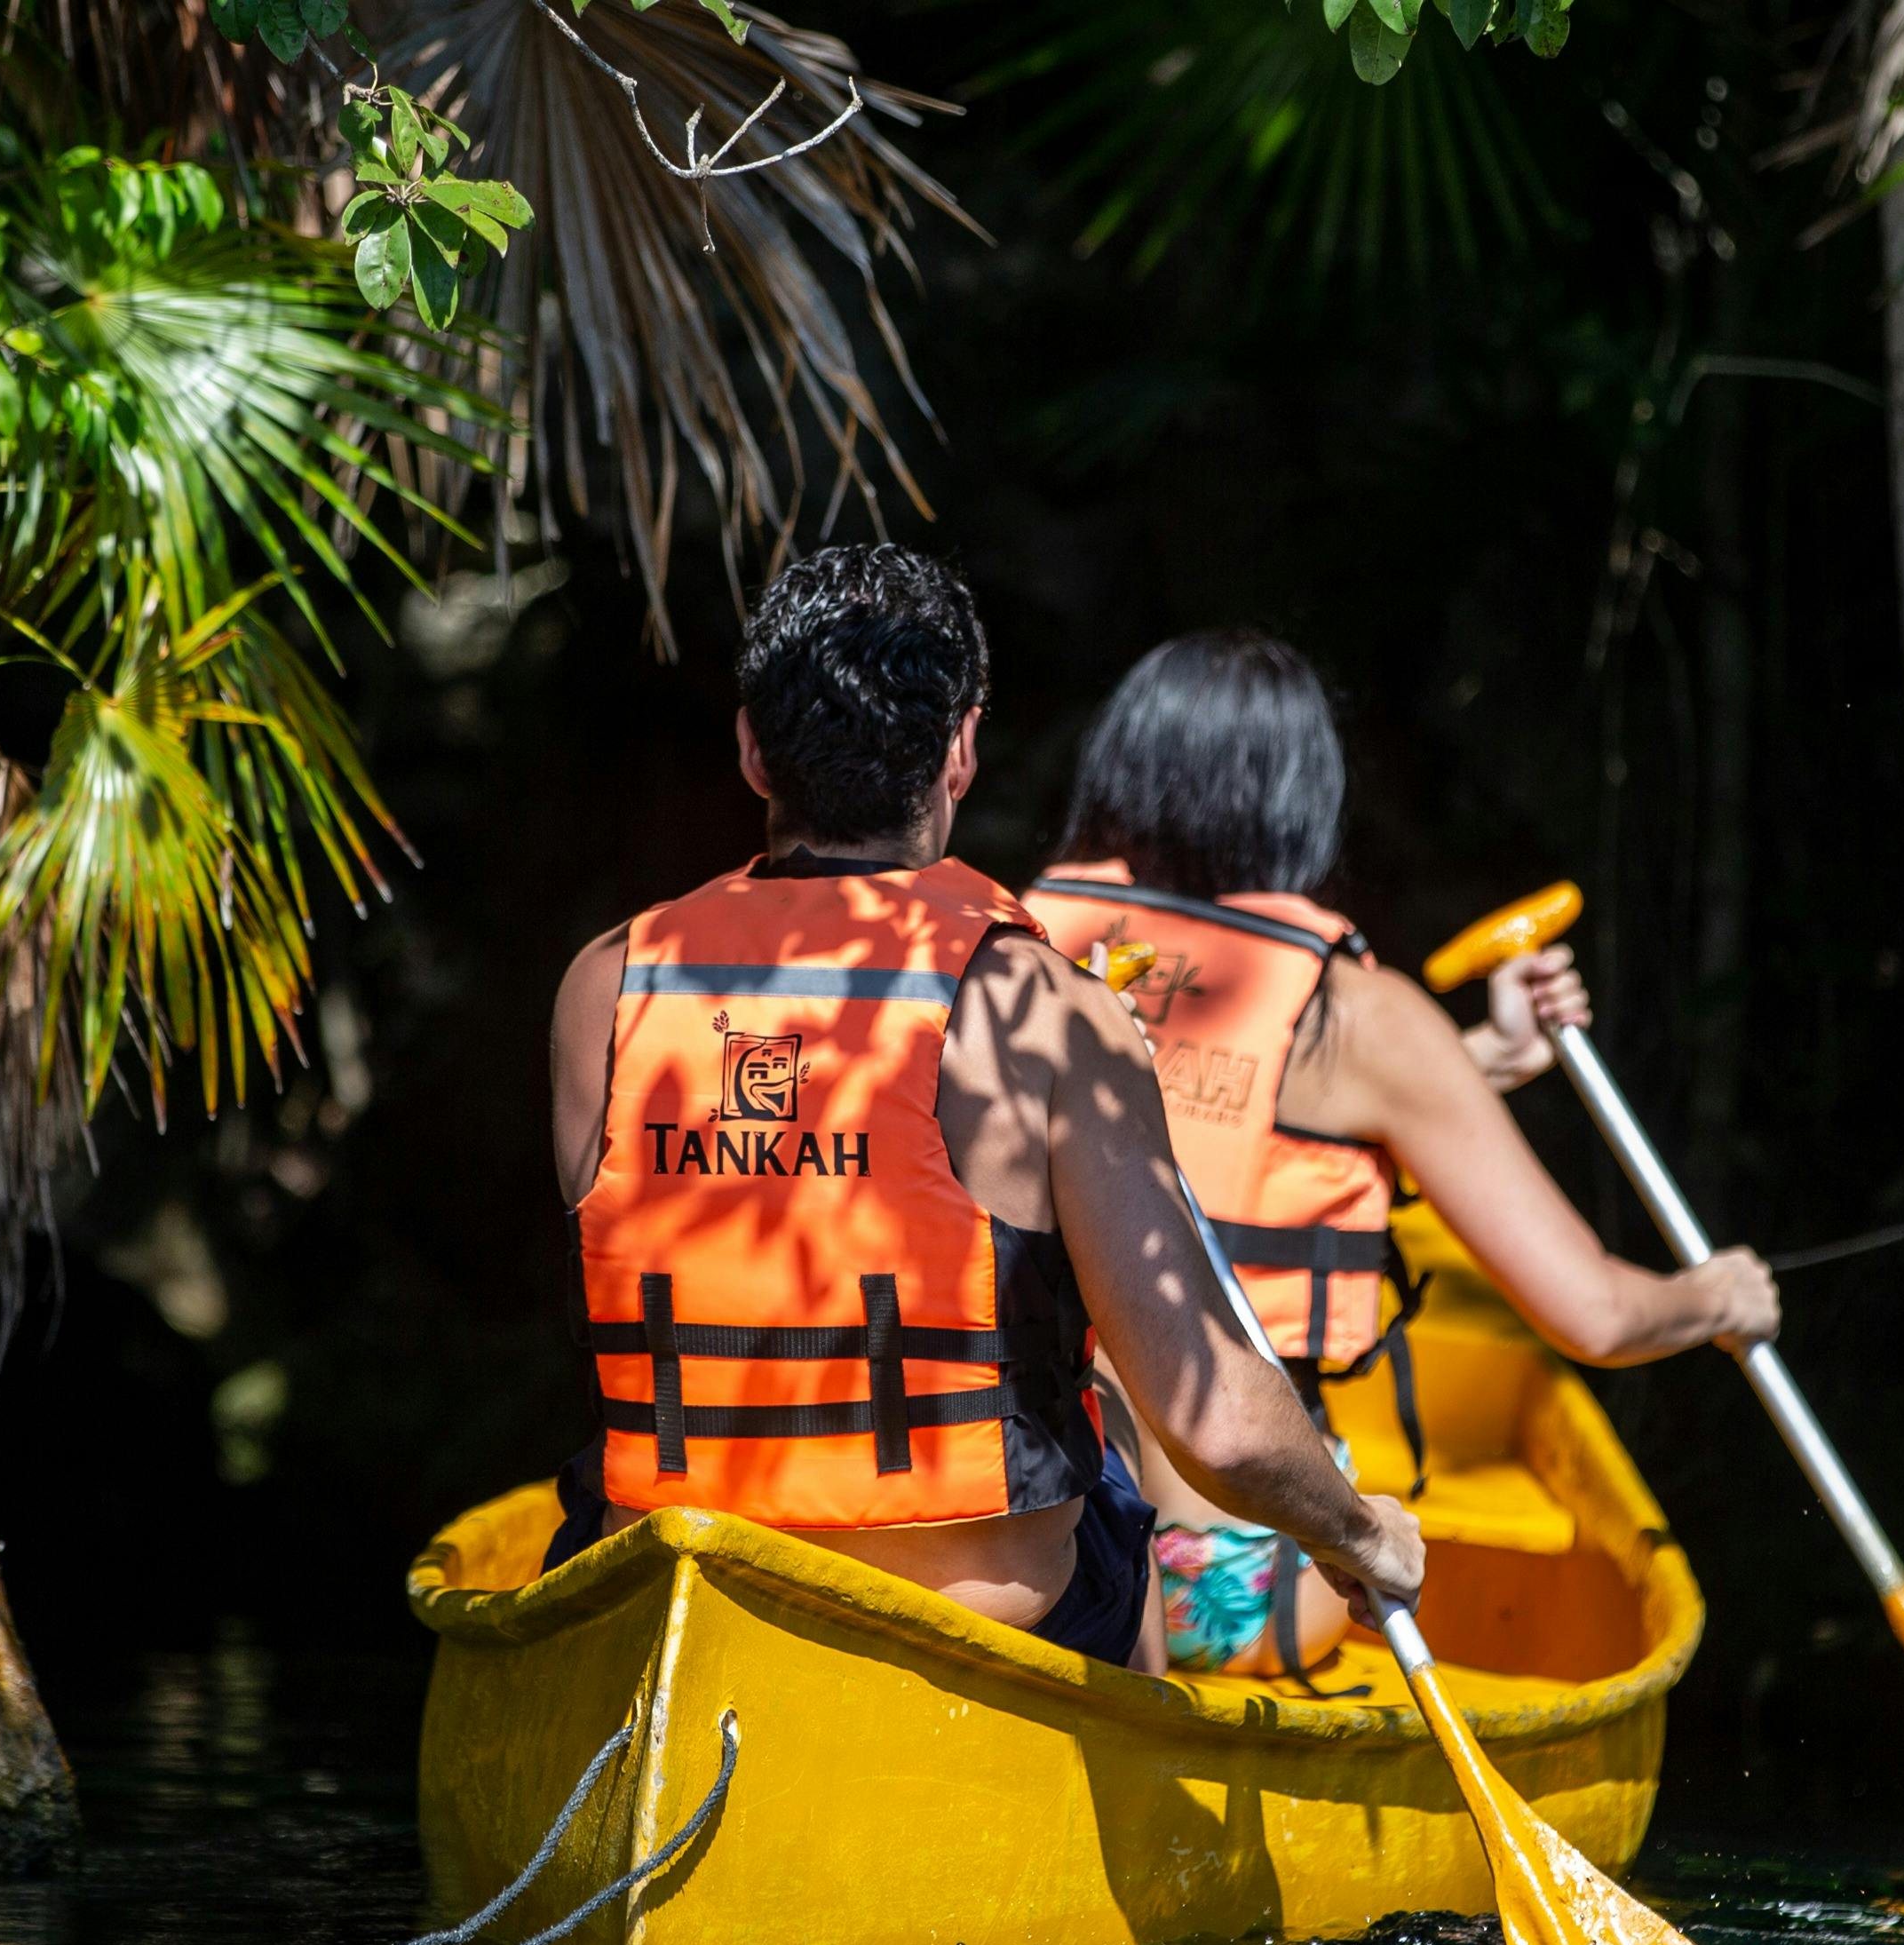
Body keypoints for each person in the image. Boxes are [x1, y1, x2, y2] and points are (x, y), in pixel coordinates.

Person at [541, 552, 1423, 1677]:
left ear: (755, 751)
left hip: (681, 1581)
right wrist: (1359, 1534)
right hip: (978, 1616)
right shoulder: (1041, 1008)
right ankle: (1138, 1789)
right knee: (1105, 1427)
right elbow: (1221, 1425)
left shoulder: (603, 985)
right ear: (961, 748)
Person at [1026, 631, 1777, 1679]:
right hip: (1220, 1581)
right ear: (1304, 799)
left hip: (1022, 1525)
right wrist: (1717, 1298)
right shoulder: (1360, 1019)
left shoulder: (1024, 942)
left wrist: (1480, 1061)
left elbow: (1183, 1110)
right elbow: (1596, 1317)